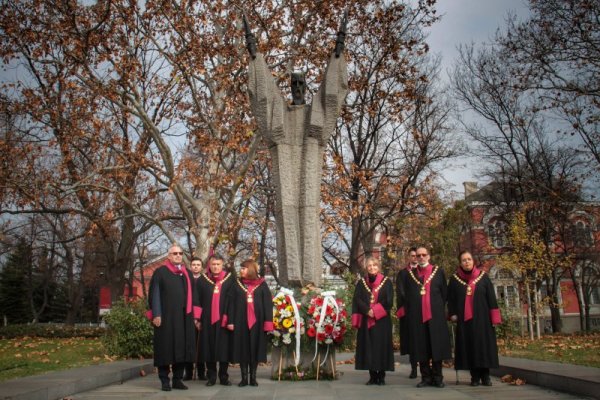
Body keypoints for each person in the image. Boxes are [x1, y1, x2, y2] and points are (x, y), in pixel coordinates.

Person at [243, 12, 348, 285]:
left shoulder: (315, 116)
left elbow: (331, 96)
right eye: (294, 84)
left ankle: (311, 279)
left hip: (309, 159)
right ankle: (292, 279)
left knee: (307, 212)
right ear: (290, 87)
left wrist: (337, 57)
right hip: (286, 166)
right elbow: (264, 96)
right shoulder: (280, 115)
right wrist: (256, 58)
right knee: (287, 213)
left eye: (302, 83)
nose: (298, 87)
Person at [396, 246, 452, 388]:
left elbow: (444, 293)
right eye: (418, 255)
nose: (420, 257)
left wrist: (437, 307)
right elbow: (407, 296)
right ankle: (426, 377)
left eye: (423, 255)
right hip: (417, 317)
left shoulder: (438, 272)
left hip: (435, 316)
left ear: (429, 256)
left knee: (437, 346)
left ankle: (438, 377)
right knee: (421, 347)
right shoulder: (410, 274)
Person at [147, 244, 200, 391]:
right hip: (166, 318)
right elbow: (155, 293)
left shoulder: (187, 274)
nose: (178, 255)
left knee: (182, 349)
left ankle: (177, 379)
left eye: (180, 253)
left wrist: (196, 317)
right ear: (169, 256)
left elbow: (194, 295)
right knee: (165, 349)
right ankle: (164, 380)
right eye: (174, 253)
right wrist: (156, 314)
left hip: (184, 318)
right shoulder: (161, 272)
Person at [448, 250, 502, 386]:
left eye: (469, 259)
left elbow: (491, 298)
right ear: (460, 263)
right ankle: (475, 377)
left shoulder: (483, 277)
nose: (467, 262)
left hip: (483, 320)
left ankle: (486, 376)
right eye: (464, 260)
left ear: (473, 261)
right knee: (470, 347)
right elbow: (451, 300)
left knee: (483, 347)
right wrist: (452, 313)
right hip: (465, 322)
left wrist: (495, 318)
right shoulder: (455, 280)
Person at [227, 259, 274, 387]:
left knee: (255, 349)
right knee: (243, 350)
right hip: (240, 321)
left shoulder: (262, 285)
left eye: (244, 268)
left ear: (251, 270)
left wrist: (268, 322)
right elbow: (230, 304)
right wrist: (230, 321)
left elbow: (268, 305)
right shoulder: (236, 284)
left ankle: (253, 378)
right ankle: (244, 378)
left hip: (257, 323)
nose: (241, 270)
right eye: (241, 268)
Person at [351, 257, 395, 385]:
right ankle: (372, 376)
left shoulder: (386, 282)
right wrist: (367, 310)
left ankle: (381, 376)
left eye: (374, 265)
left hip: (382, 321)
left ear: (378, 267)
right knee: (368, 347)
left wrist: (375, 311)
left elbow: (389, 301)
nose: (372, 267)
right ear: (366, 268)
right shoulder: (361, 283)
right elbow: (357, 299)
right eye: (369, 265)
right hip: (366, 320)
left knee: (380, 347)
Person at [196, 254, 235, 386]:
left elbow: (232, 300)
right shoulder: (202, 280)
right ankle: (211, 377)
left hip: (224, 320)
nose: (216, 267)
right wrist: (197, 319)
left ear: (222, 264)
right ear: (209, 266)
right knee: (208, 348)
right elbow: (197, 299)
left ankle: (223, 377)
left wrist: (230, 318)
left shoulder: (230, 279)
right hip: (207, 320)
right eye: (213, 264)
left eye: (218, 264)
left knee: (224, 349)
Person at [395, 247, 419, 379]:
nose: (415, 258)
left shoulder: (424, 271)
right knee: (413, 342)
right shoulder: (403, 273)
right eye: (413, 255)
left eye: (417, 255)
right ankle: (414, 368)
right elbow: (400, 291)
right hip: (410, 312)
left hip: (423, 311)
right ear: (409, 257)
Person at [184, 257, 207, 381]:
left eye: (198, 264)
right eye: (194, 264)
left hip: (202, 316)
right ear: (190, 266)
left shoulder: (205, 280)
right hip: (188, 316)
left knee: (200, 346)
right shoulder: (185, 278)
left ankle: (201, 372)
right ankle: (188, 372)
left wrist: (199, 318)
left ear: (202, 267)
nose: (196, 267)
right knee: (188, 345)